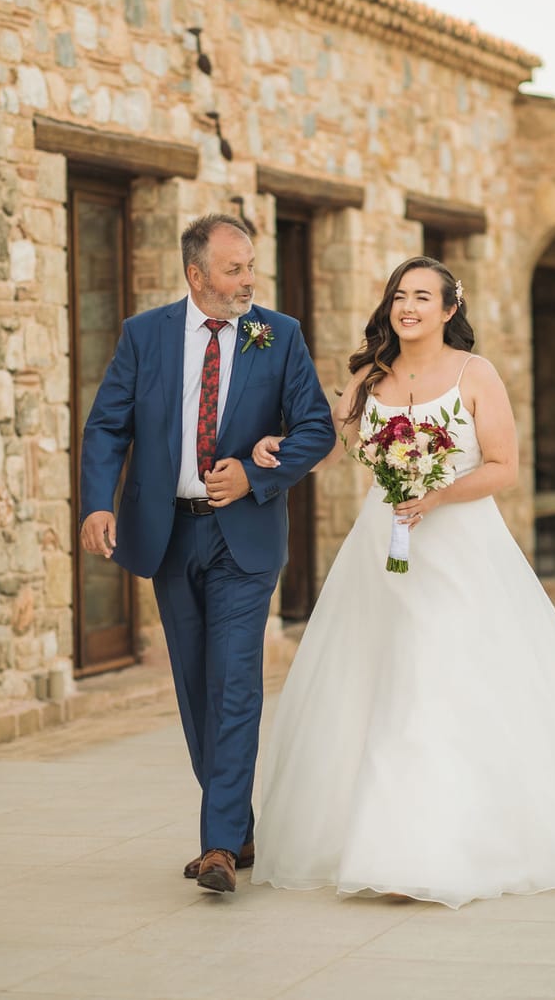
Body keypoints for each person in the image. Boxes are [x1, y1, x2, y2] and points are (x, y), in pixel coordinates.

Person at [250, 256, 555, 907]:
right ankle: (373, 838)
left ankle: (428, 845)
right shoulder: (368, 375)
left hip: (458, 549)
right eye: (400, 295)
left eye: (423, 296)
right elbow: (331, 446)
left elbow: (504, 466)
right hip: (381, 548)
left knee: (434, 671)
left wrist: (437, 493)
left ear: (450, 309)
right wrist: (273, 449)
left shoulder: (475, 374)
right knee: (378, 673)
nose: (408, 307)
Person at [80, 213, 336, 895]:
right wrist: (98, 503)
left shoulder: (275, 334)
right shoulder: (145, 335)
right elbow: (107, 425)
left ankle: (217, 844)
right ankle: (239, 827)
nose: (247, 279)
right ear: (196, 275)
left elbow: (316, 427)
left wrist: (257, 474)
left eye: (250, 266)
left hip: (244, 536)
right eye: (233, 269)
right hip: (168, 535)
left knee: (234, 683)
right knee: (195, 686)